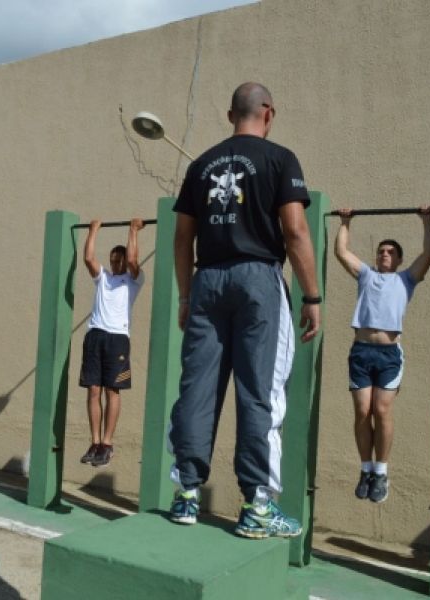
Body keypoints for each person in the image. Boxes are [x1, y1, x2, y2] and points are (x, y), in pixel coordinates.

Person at [168, 82, 321, 539]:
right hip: (257, 279)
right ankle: (257, 505)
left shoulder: (201, 165)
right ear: (268, 113)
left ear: (230, 114)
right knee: (260, 392)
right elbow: (295, 232)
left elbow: (182, 238)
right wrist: (312, 296)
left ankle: (186, 494)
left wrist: (185, 295)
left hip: (207, 280)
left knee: (197, 387)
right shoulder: (280, 159)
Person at [334, 206, 430, 503]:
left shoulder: (406, 279)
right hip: (361, 352)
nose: (384, 254)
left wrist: (426, 221)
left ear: (399, 259)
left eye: (391, 252)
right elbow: (342, 251)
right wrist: (345, 222)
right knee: (362, 411)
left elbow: (429, 252)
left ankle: (381, 472)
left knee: (381, 410)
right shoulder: (366, 275)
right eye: (381, 251)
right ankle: (366, 469)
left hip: (389, 355)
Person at [78, 218, 145, 467]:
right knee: (93, 390)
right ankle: (95, 442)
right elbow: (88, 258)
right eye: (113, 260)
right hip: (95, 335)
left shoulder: (134, 279)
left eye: (119, 261)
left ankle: (107, 443)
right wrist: (93, 230)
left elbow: (133, 260)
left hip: (117, 338)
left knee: (111, 391)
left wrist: (133, 230)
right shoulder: (103, 278)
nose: (116, 264)